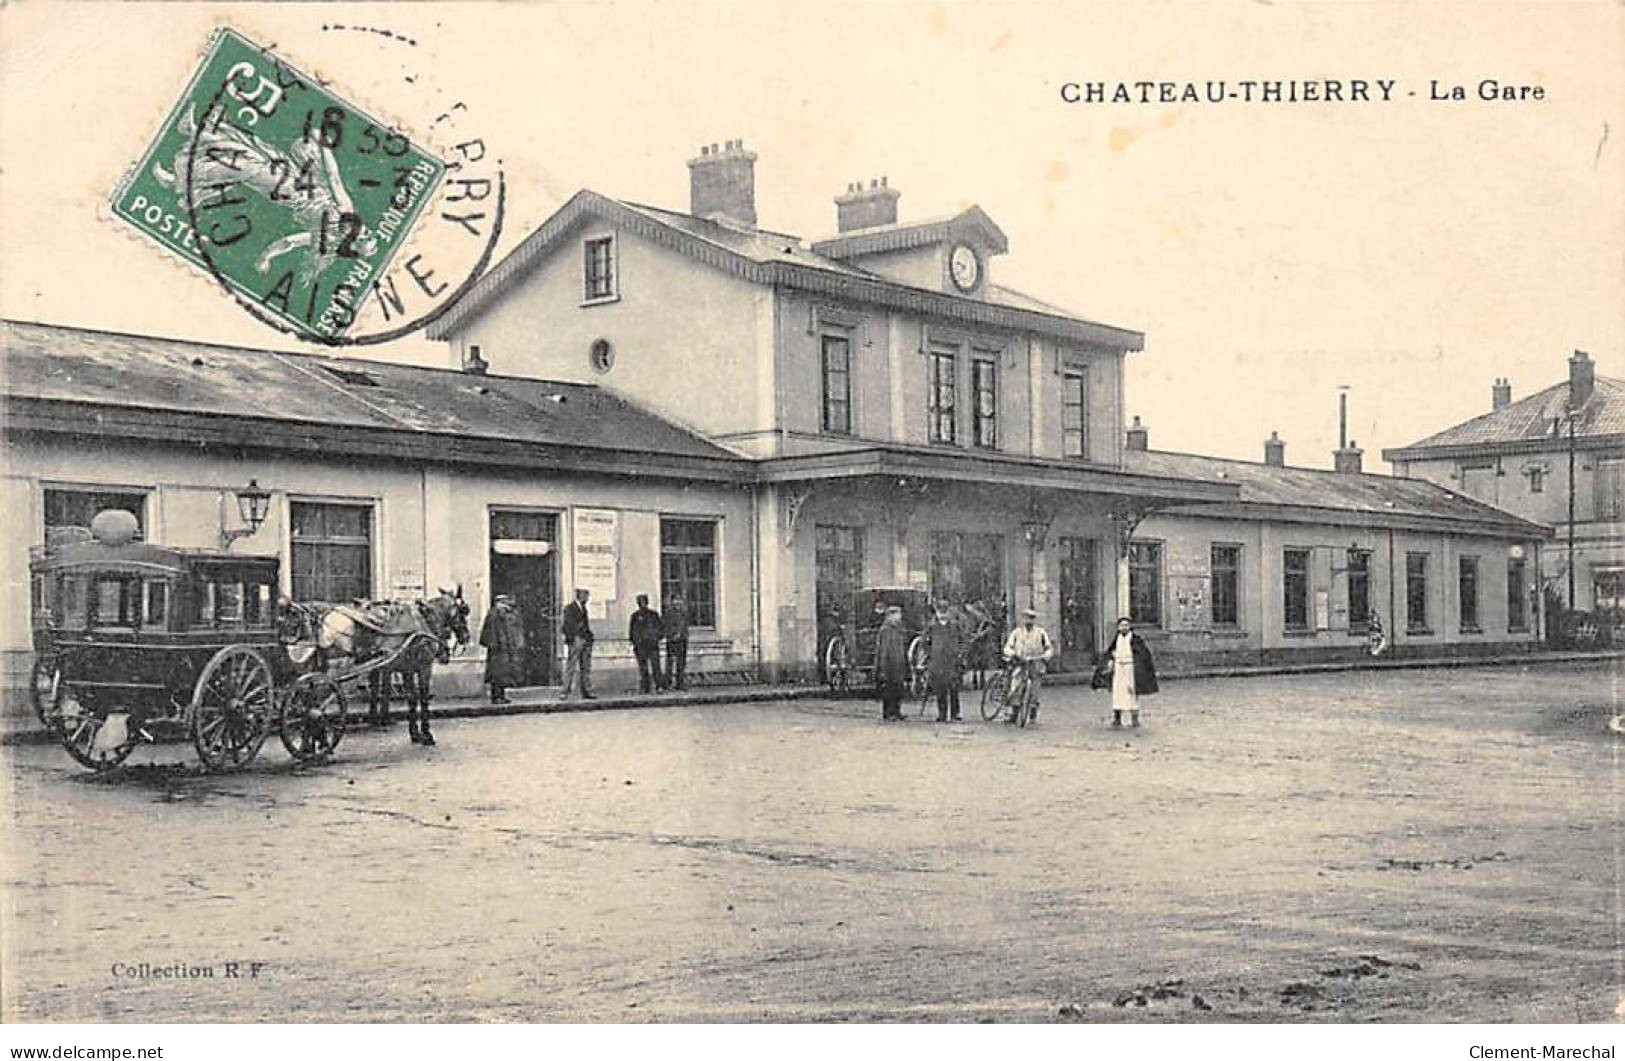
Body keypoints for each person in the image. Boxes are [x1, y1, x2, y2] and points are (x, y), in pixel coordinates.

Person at [1002, 607, 1054, 724]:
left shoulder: (1040, 633)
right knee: (1016, 685)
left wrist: (1045, 656)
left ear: (1034, 620)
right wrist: (1013, 654)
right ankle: (1014, 712)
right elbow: (1008, 646)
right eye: (1026, 618)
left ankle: (1033, 710)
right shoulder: (1017, 633)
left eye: (1031, 619)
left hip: (1035, 663)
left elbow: (1049, 648)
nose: (1028, 621)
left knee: (1035, 688)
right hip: (1020, 661)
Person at [1106, 616, 1158, 728]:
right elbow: (1111, 652)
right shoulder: (1117, 639)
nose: (1124, 627)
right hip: (1119, 668)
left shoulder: (1136, 640)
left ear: (1130, 627)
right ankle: (1117, 718)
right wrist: (1111, 660)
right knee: (1118, 693)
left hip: (1130, 669)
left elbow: (1143, 654)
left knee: (1132, 692)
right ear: (1118, 627)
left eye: (1126, 625)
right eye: (1122, 625)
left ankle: (1134, 718)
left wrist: (1138, 664)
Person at [478, 594, 526, 704]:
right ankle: (496, 696)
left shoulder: (502, 614)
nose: (505, 605)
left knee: (503, 673)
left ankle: (501, 695)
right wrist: (494, 644)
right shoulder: (493, 615)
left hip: (503, 648)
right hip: (496, 649)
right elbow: (490, 632)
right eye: (503, 602)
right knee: (496, 674)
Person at [926, 603, 963, 722]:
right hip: (938, 662)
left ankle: (954, 713)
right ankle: (942, 713)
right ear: (937, 613)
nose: (942, 614)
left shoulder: (954, 626)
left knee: (954, 688)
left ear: (948, 613)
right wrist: (931, 653)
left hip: (952, 661)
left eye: (944, 612)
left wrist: (959, 653)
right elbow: (924, 642)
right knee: (940, 688)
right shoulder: (932, 627)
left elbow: (963, 640)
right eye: (940, 612)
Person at [875, 604, 911, 722]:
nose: (899, 617)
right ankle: (888, 713)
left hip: (898, 661)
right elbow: (884, 649)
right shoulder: (886, 630)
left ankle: (896, 711)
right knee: (889, 689)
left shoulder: (898, 629)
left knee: (898, 688)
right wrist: (882, 666)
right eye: (897, 614)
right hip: (890, 663)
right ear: (891, 616)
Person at [560, 587, 596, 700]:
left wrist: (590, 637)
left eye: (587, 595)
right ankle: (565, 691)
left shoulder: (584, 609)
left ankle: (586, 691)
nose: (587, 598)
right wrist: (573, 638)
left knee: (585, 666)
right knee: (571, 666)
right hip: (576, 640)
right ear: (579, 596)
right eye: (585, 595)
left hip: (585, 640)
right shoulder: (569, 608)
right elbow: (566, 626)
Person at [629, 593, 667, 693]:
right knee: (643, 667)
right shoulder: (635, 616)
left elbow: (661, 629)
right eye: (640, 603)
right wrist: (635, 642)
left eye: (644, 602)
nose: (642, 605)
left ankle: (659, 686)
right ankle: (646, 687)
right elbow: (632, 631)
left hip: (652, 645)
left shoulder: (653, 615)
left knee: (656, 667)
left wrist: (656, 638)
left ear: (647, 603)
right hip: (640, 646)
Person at [663, 592, 691, 690]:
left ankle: (680, 683)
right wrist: (673, 635)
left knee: (681, 662)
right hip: (672, 640)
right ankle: (668, 683)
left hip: (682, 640)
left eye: (679, 600)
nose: (677, 602)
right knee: (670, 662)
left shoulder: (684, 613)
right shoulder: (669, 613)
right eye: (675, 600)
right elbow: (666, 626)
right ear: (672, 602)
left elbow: (685, 626)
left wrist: (684, 635)